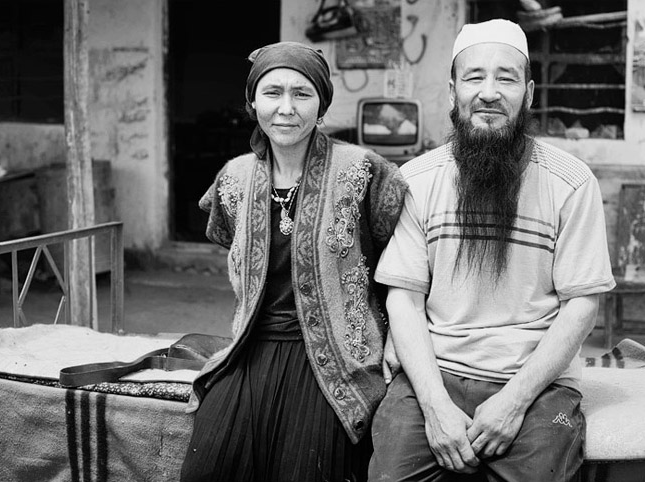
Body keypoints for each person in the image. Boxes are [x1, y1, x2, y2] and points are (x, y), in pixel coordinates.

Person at [369, 19, 616, 482]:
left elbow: (582, 304)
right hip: (435, 372)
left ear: (529, 92)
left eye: (506, 77)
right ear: (451, 91)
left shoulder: (572, 182)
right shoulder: (417, 180)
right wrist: (435, 405)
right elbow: (403, 297)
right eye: (474, 77)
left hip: (538, 382)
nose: (489, 92)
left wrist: (515, 399)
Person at [179, 41, 408, 482]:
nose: (286, 108)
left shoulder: (364, 171)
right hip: (250, 351)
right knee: (207, 466)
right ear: (251, 103)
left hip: (335, 357)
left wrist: (393, 338)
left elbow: (399, 262)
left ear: (321, 105)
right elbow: (231, 243)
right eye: (272, 93)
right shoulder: (234, 178)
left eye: (302, 94)